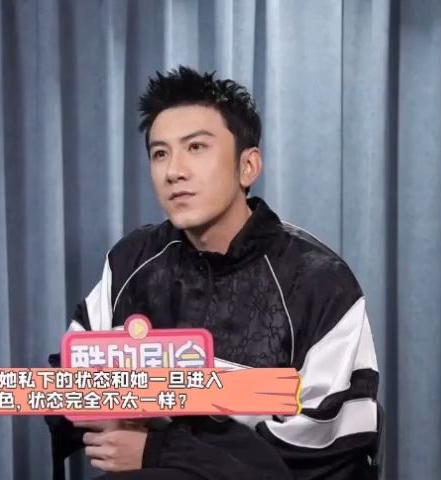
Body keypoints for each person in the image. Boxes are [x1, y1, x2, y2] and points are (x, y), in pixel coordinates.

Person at [46, 66, 381, 480]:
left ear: (248, 166)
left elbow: (325, 448)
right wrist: (103, 412)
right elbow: (67, 379)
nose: (174, 171)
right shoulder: (132, 261)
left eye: (196, 147)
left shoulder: (319, 281)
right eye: (160, 153)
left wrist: (163, 450)